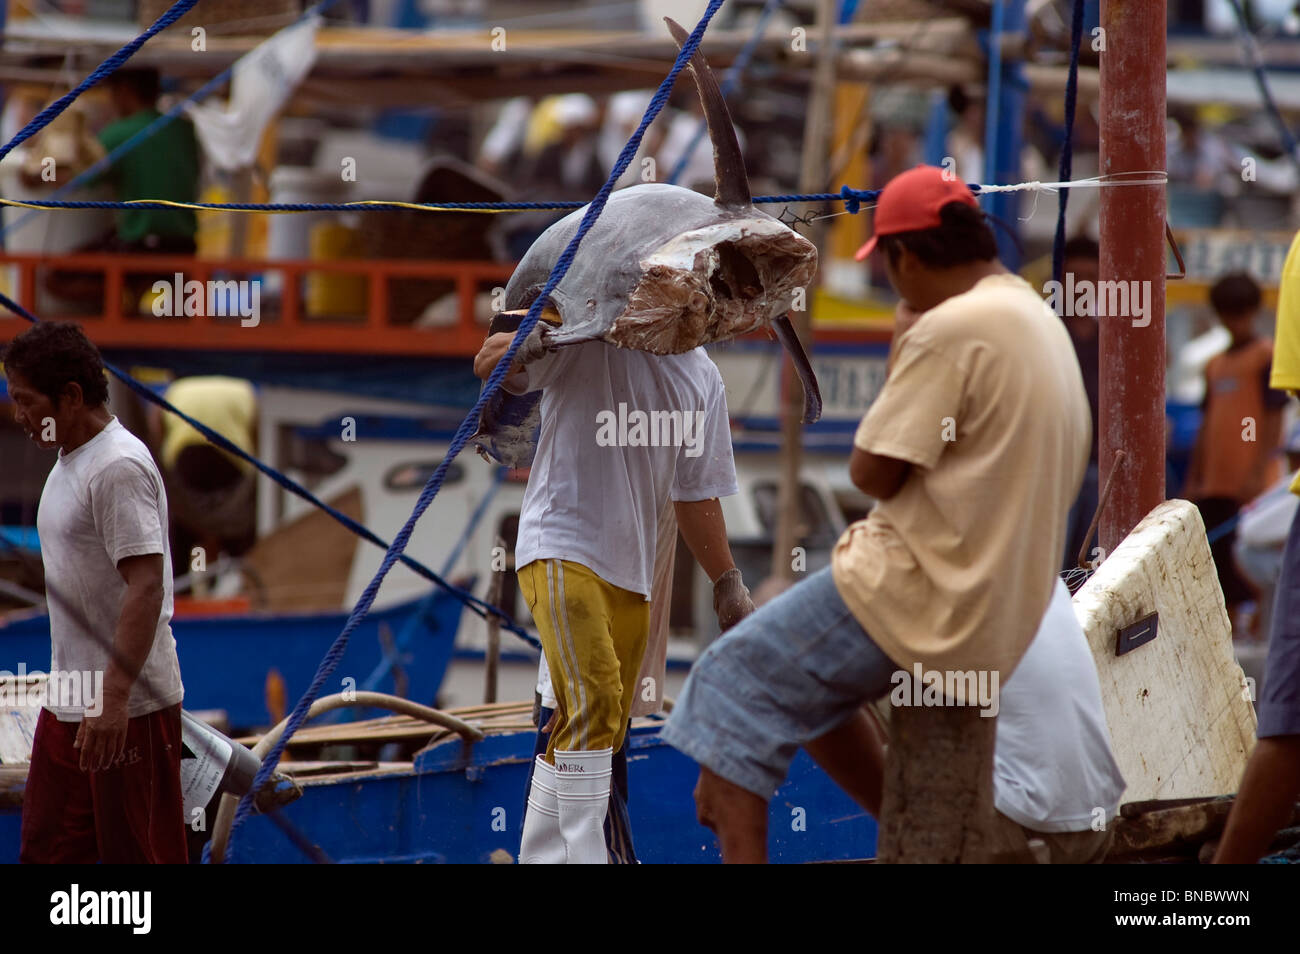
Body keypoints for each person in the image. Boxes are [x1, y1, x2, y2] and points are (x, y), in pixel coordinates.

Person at [660, 165, 1091, 862]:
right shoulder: (1030, 313)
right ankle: (893, 818)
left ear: (907, 257)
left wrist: (904, 332)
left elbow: (873, 472)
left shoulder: (953, 326)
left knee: (726, 687)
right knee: (799, 700)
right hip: (993, 599)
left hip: (923, 585)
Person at [473, 328, 752, 864]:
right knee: (595, 703)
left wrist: (729, 587)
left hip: (634, 575)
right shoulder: (587, 339)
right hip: (561, 547)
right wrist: (516, 347)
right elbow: (500, 367)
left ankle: (542, 857)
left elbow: (695, 494)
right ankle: (587, 857)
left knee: (599, 723)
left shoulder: (703, 377)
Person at [4, 321, 186, 863]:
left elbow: (146, 583)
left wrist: (113, 698)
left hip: (128, 706)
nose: (18, 416)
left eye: (25, 400)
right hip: (70, 702)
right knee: (50, 850)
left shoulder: (117, 467)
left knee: (138, 858)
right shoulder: (68, 459)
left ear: (72, 396)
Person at [860, 579, 1125, 863]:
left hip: (1028, 824)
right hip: (1099, 817)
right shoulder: (1041, 571)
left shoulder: (927, 586)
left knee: (842, 694)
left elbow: (819, 687)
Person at [1216, 230, 1300, 863]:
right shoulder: (1218, 364)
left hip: (1257, 488)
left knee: (1287, 716)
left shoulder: (1263, 354)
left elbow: (1280, 415)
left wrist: (1259, 479)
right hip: (1221, 488)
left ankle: (1219, 889)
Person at [1183, 272, 1287, 634]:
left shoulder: (1264, 356)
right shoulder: (1215, 365)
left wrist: (1260, 470)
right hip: (1215, 480)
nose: (1234, 322)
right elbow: (1207, 422)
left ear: (1254, 312)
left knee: (1250, 559)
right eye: (1228, 314)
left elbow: (1272, 417)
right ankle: (1223, 630)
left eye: (1240, 314)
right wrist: (1195, 477)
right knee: (1218, 561)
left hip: (1250, 480)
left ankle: (1261, 628)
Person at [150, 375, 259, 571]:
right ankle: (237, 575)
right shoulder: (244, 388)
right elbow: (257, 432)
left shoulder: (175, 389)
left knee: (185, 531)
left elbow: (156, 428)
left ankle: (186, 586)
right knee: (236, 528)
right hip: (231, 460)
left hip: (186, 458)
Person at [1057, 236, 1102, 572]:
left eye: (1091, 280)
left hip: (1103, 472)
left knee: (1094, 569)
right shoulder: (1049, 332)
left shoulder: (1114, 336)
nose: (1082, 288)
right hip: (1059, 469)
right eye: (1076, 279)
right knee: (1053, 567)